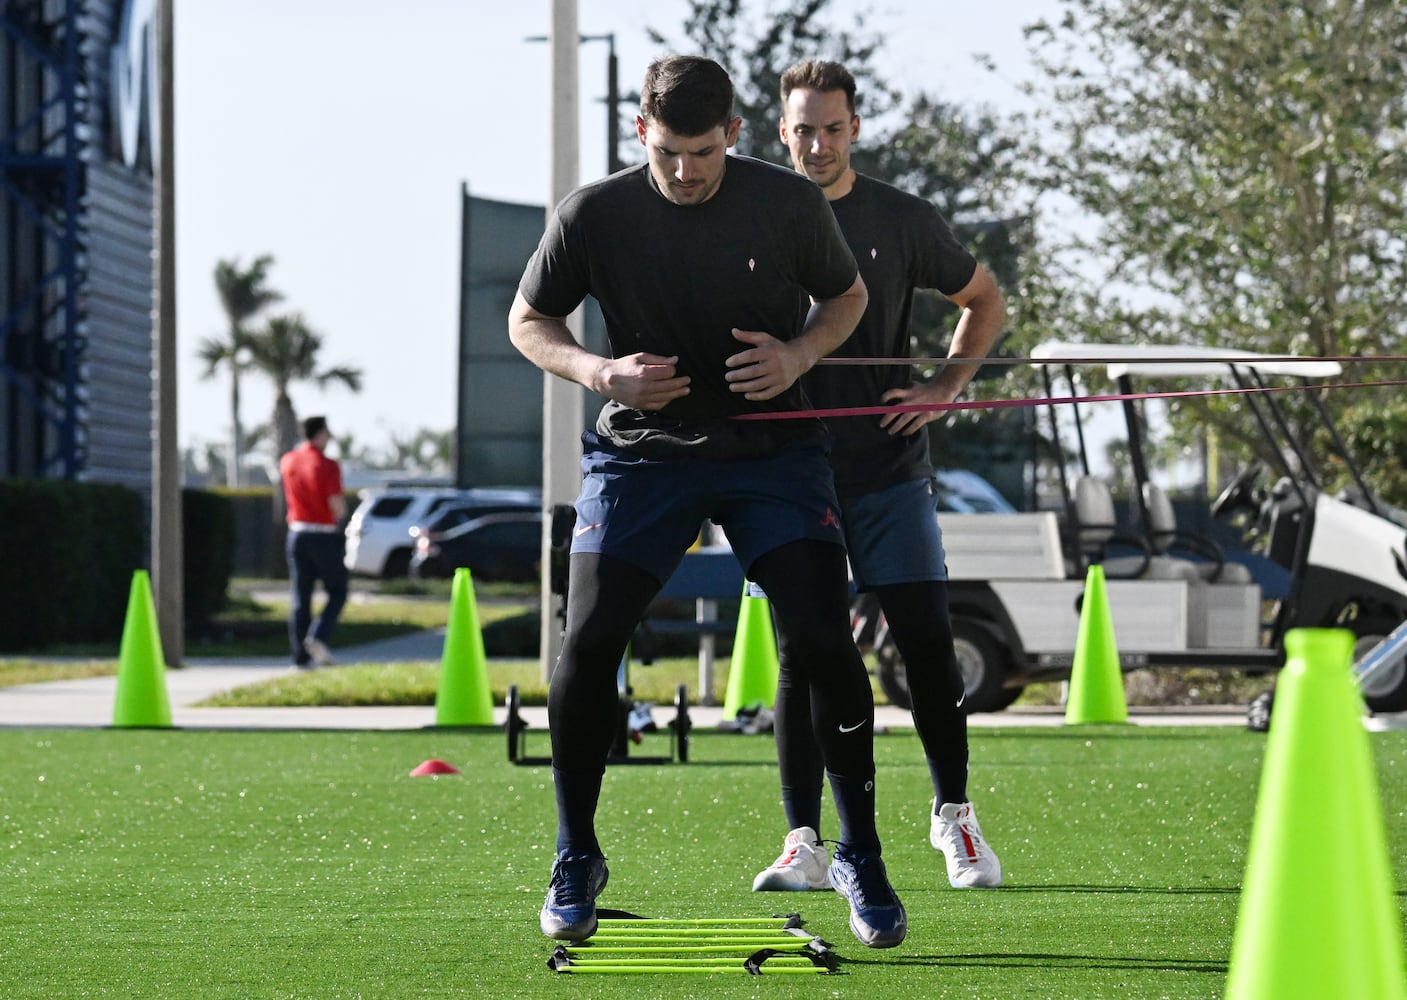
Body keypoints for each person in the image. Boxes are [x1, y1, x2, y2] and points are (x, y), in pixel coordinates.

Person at [508, 54, 906, 949]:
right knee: (588, 638)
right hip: (641, 453)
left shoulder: (789, 203)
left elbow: (845, 296)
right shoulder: (593, 214)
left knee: (819, 635)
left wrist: (799, 357)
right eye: (668, 152)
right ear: (640, 133)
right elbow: (528, 322)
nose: (684, 172)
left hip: (773, 451)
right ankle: (576, 853)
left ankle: (861, 854)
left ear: (731, 134)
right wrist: (599, 371)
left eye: (702, 152)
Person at [750, 60, 1007, 894]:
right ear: (779, 129)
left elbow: (984, 298)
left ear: (854, 128)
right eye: (802, 129)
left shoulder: (901, 218)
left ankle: (954, 819)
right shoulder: (746, 216)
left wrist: (943, 390)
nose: (817, 144)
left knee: (928, 643)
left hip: (888, 471)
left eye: (832, 128)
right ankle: (804, 842)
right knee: (801, 656)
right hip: (785, 476)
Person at [279, 415, 348, 669]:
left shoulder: (288, 461)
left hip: (296, 534)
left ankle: (301, 658)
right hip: (323, 534)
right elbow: (335, 503)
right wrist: (342, 517)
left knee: (301, 596)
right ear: (319, 433)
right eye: (327, 432)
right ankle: (318, 636)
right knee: (338, 590)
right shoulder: (326, 464)